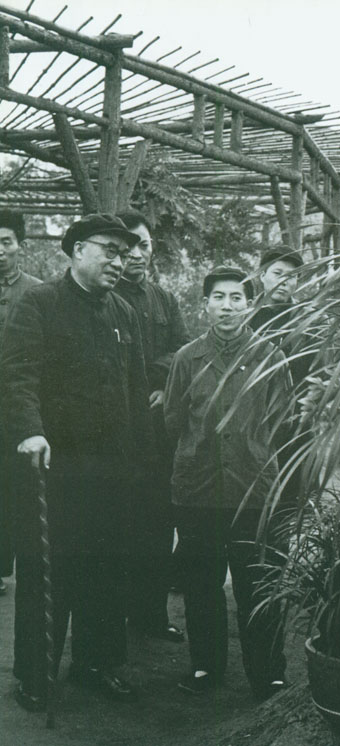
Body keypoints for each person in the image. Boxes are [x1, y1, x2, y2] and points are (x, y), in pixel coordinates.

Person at [0, 213, 152, 711]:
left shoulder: (123, 311)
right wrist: (29, 430)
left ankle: (96, 663)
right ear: (78, 249)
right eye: (110, 250)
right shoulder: (39, 303)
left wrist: (142, 458)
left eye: (124, 253)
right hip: (54, 467)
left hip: (111, 470)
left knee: (106, 567)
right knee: (48, 571)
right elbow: (17, 377)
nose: (120, 260)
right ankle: (35, 674)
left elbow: (135, 389)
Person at [164, 265, 291, 700]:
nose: (227, 306)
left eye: (237, 298)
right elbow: (174, 419)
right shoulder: (187, 358)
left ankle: (268, 673)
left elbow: (283, 419)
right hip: (197, 488)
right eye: (218, 297)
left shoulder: (270, 356)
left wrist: (253, 451)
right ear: (205, 305)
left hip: (252, 488)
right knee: (202, 584)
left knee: (257, 585)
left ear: (250, 305)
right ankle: (205, 666)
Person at [115, 209, 189, 642]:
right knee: (118, 526)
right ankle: (114, 620)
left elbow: (180, 348)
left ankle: (152, 616)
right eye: (127, 247)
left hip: (156, 434)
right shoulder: (105, 297)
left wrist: (162, 384)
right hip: (115, 430)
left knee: (158, 524)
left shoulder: (164, 299)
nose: (136, 254)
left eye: (143, 245)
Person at [250, 246, 315, 504]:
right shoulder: (246, 316)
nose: (284, 282)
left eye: (292, 276)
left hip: (294, 423)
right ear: (262, 275)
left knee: (290, 498)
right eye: (278, 273)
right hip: (251, 422)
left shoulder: (307, 319)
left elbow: (319, 369)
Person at [0, 210, 41, 596]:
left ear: (20, 246)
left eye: (5, 242)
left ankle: (20, 564)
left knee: (17, 486)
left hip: (19, 408)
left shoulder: (37, 293)